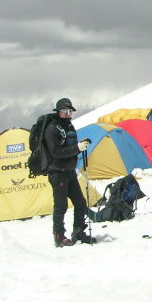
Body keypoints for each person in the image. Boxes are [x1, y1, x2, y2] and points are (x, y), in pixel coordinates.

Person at [44, 97, 93, 247]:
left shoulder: (69, 127)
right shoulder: (51, 129)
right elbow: (56, 152)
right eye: (65, 111)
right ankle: (59, 236)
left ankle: (78, 231)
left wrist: (80, 145)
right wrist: (77, 148)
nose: (68, 114)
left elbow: (69, 146)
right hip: (57, 172)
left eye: (70, 111)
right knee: (61, 206)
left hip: (69, 171)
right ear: (58, 112)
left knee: (80, 203)